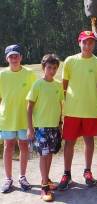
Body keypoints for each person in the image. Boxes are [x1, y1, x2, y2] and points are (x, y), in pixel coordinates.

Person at [58, 31, 97, 190]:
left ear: (94, 44)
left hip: (91, 110)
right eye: (84, 42)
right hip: (72, 110)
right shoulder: (70, 61)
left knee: (89, 141)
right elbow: (64, 86)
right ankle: (67, 173)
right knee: (69, 143)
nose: (87, 45)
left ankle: (87, 171)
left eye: (90, 42)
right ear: (79, 43)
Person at [27, 54, 64, 201]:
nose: (52, 70)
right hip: (41, 128)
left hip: (54, 127)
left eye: (55, 68)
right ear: (43, 68)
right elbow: (29, 108)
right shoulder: (37, 84)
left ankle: (47, 179)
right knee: (43, 155)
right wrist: (30, 128)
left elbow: (60, 105)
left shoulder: (58, 85)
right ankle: (44, 187)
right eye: (49, 67)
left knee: (49, 155)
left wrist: (60, 124)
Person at [0, 44, 36, 193]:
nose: (14, 59)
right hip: (7, 117)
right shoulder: (2, 75)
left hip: (24, 118)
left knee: (23, 146)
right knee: (8, 146)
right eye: (11, 56)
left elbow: (34, 97)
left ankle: (22, 177)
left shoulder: (30, 74)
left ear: (21, 57)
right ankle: (8, 179)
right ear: (6, 58)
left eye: (16, 56)